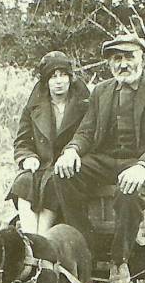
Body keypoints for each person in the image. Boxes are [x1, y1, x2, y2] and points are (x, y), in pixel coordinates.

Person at [46, 34, 145, 283]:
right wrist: (72, 150)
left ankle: (119, 261)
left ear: (143, 58)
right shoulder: (102, 91)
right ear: (110, 63)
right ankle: (85, 247)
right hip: (108, 162)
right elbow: (86, 131)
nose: (123, 64)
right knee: (62, 175)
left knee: (129, 190)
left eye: (129, 57)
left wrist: (142, 167)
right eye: (117, 59)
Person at [6, 51, 90, 235]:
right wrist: (27, 157)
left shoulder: (85, 105)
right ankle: (30, 240)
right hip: (41, 167)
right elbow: (22, 141)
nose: (58, 81)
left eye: (63, 75)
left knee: (52, 184)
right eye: (53, 77)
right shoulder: (33, 107)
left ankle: (42, 241)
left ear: (70, 78)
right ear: (46, 82)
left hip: (68, 169)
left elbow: (89, 136)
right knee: (24, 181)